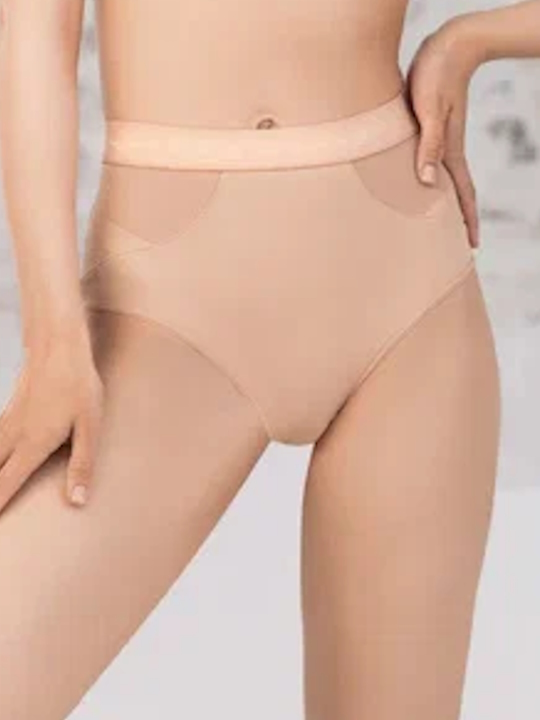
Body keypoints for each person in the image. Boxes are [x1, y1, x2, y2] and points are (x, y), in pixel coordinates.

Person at [0, 1, 537, 718]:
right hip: (165, 311)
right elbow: (36, 30)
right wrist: (53, 341)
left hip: (411, 291)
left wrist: (471, 39)